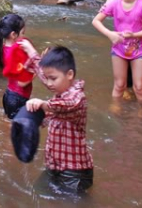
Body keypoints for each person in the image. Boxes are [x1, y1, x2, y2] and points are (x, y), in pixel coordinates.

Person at [26, 46, 93, 193]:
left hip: (75, 171)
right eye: (47, 78)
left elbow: (66, 105)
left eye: (53, 79)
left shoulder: (76, 96)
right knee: (37, 192)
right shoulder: (60, 92)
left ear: (70, 74)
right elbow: (46, 76)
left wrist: (43, 104)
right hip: (55, 165)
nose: (49, 83)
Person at [92, 0, 142, 103]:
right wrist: (110, 34)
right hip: (118, 49)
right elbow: (96, 21)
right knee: (119, 85)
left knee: (139, 87)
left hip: (138, 51)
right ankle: (115, 110)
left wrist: (134, 35)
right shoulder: (113, 3)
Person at [0, 14, 39, 119]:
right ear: (13, 34)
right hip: (18, 98)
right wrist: (37, 71)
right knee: (15, 129)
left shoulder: (3, 49)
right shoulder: (16, 54)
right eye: (22, 33)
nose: (24, 36)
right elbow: (22, 83)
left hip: (9, 95)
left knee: (8, 124)